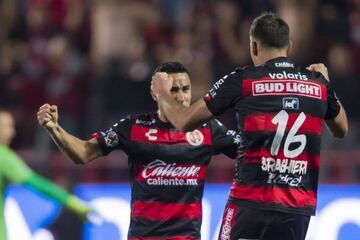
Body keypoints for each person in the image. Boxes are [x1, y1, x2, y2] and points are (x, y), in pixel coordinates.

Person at [151, 13, 348, 240]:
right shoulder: (317, 83)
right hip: (297, 208)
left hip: (249, 204)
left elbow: (184, 122)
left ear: (253, 46)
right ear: (289, 46)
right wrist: (327, 84)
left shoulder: (243, 80)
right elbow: (341, 129)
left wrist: (163, 94)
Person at [37, 62, 240, 239]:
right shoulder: (134, 127)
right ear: (155, 93)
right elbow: (83, 153)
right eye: (173, 90)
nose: (181, 97)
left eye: (185, 89)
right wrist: (54, 129)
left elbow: (248, 151)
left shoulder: (207, 129)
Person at [0, 108, 93, 240]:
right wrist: (72, 202)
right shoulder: (3, 156)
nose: (12, 132)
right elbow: (35, 183)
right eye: (7, 127)